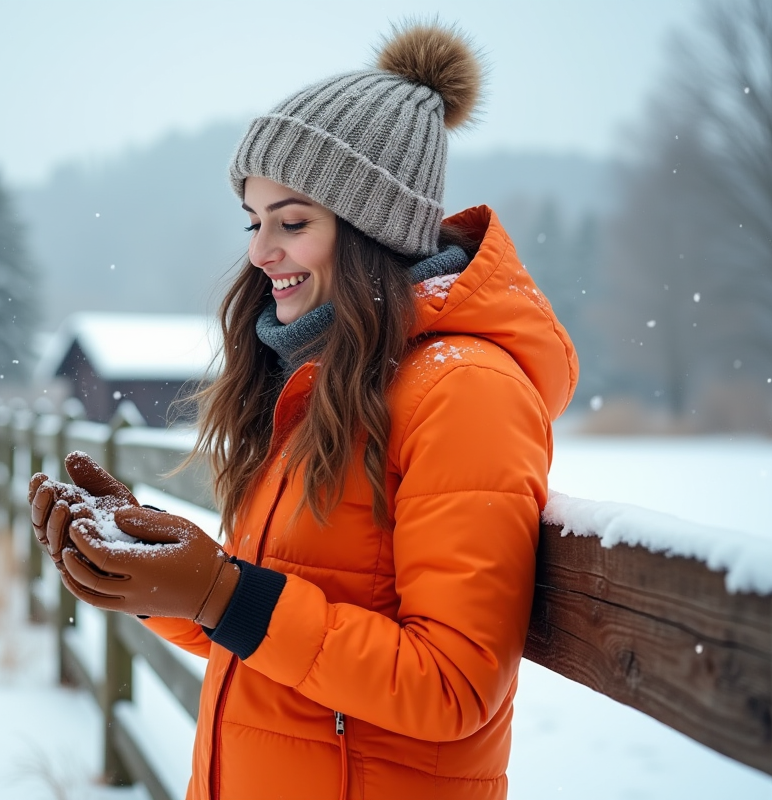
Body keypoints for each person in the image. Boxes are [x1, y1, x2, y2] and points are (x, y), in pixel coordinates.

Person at [29, 21, 577, 800]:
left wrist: (222, 593)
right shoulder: (325, 385)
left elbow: (453, 684)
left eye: (292, 222)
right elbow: (270, 629)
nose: (259, 252)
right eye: (254, 222)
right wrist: (153, 580)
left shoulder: (465, 391)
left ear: (371, 231)